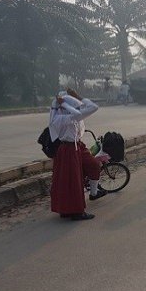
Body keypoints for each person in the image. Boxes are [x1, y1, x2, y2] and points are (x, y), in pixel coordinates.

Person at [49, 88, 106, 221]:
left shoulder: (63, 115)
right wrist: (79, 97)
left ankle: (91, 194)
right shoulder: (64, 117)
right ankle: (76, 211)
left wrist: (74, 99)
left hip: (76, 146)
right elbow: (93, 107)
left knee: (92, 166)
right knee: (73, 181)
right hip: (69, 150)